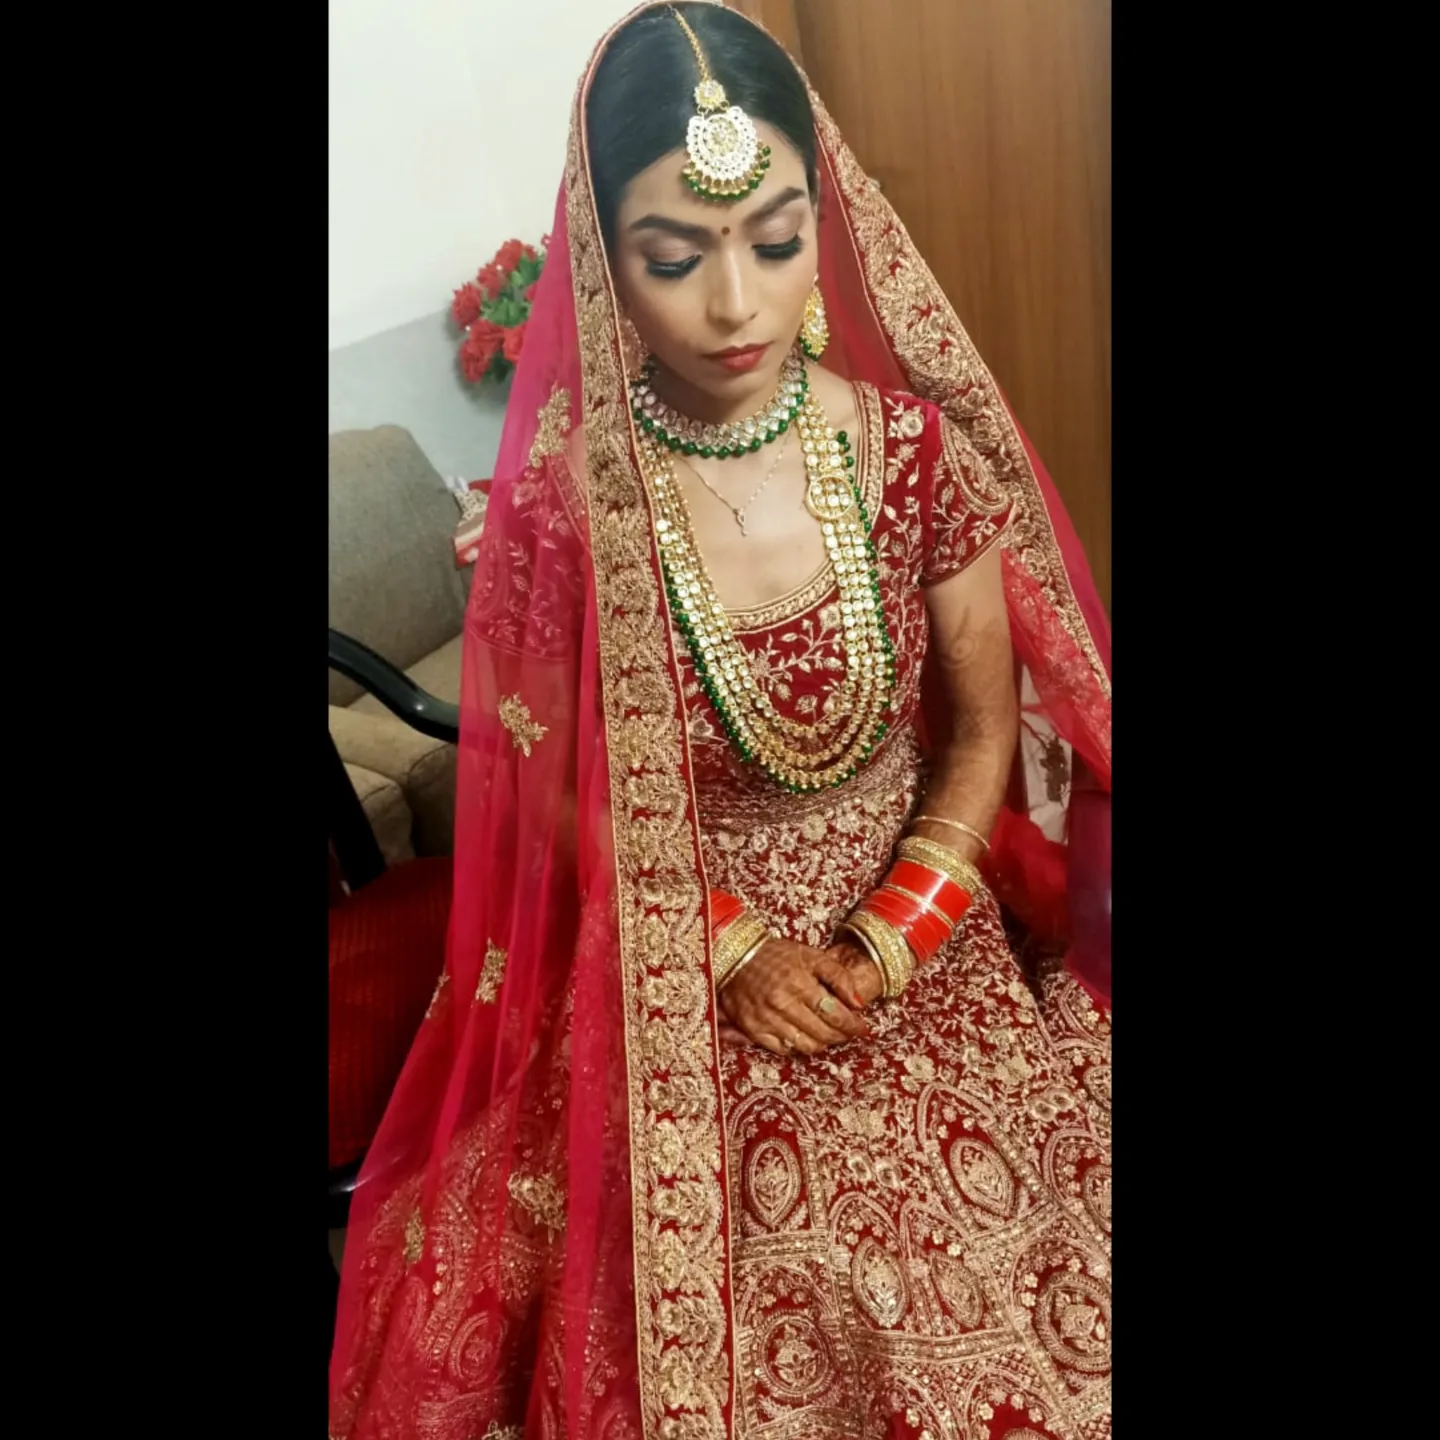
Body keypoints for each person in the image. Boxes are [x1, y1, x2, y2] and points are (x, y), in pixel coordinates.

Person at [329, 4, 1112, 1437]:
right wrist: (732, 948)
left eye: (776, 236)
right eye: (676, 257)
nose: (739, 304)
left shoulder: (913, 452)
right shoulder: (569, 506)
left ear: (829, 224)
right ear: (604, 260)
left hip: (915, 911)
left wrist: (899, 930)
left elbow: (979, 734)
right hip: (680, 919)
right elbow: (549, 782)